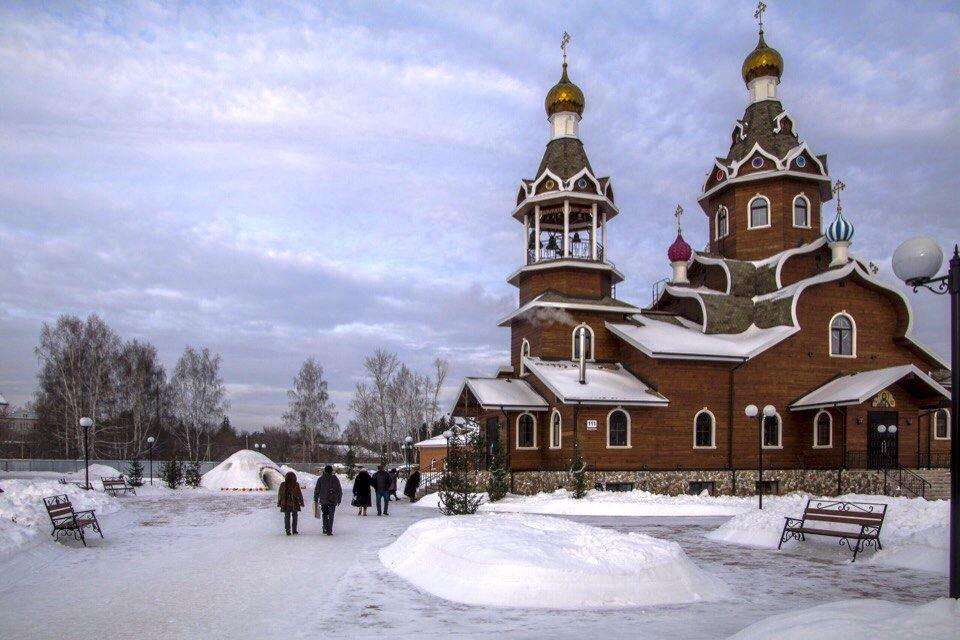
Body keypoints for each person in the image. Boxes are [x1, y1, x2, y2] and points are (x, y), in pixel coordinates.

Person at [313, 465, 342, 535]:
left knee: (325, 514)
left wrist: (316, 499)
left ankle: (325, 528)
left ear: (324, 471)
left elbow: (317, 490)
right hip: (333, 500)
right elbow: (339, 490)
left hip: (324, 500)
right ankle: (329, 530)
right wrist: (339, 499)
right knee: (331, 515)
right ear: (331, 471)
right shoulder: (335, 479)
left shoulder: (321, 479)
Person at [277, 471, 304, 536]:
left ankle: (287, 530)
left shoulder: (283, 484)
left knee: (287, 517)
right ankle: (294, 530)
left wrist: (279, 502)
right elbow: (299, 494)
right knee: (295, 516)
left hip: (286, 503)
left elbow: (280, 494)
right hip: (294, 503)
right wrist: (301, 502)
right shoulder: (296, 484)